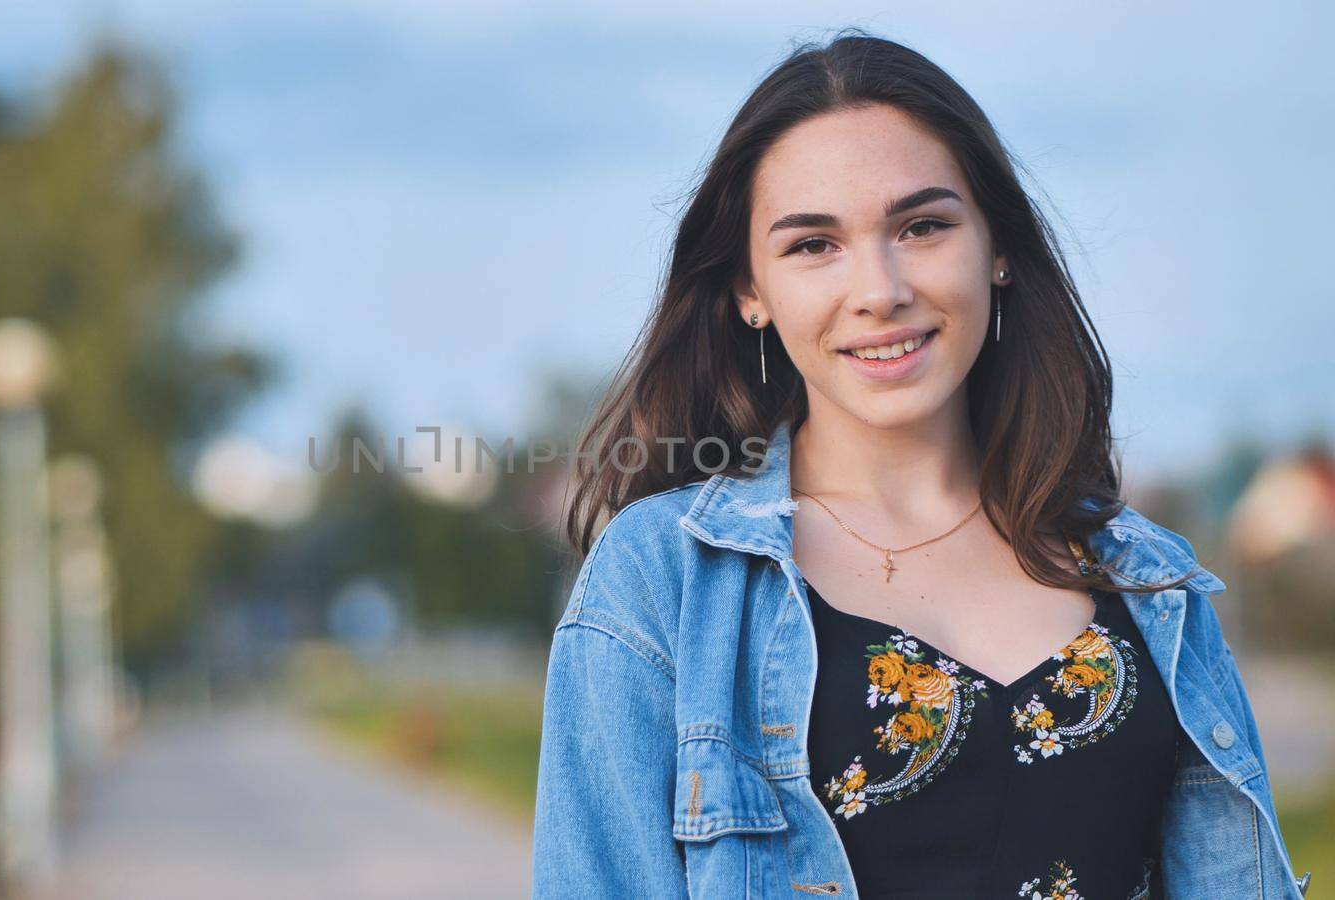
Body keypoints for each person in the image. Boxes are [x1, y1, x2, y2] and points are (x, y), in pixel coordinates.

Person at [531, 28, 1311, 899]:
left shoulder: (1152, 581)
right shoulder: (662, 582)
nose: (880, 288)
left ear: (999, 248)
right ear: (749, 291)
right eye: (812, 245)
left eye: (923, 226)